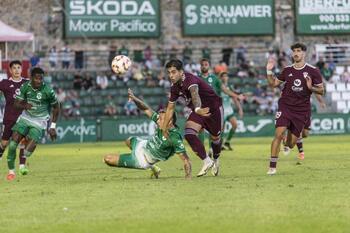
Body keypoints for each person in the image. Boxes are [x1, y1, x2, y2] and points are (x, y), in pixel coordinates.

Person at [104, 89, 191, 179]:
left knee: (107, 159)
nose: (158, 120)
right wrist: (134, 98)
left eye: (161, 119)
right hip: (143, 144)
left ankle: (152, 167)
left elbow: (185, 159)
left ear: (170, 121)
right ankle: (154, 167)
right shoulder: (160, 122)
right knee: (128, 140)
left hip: (142, 160)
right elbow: (145, 108)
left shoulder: (174, 137)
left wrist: (188, 176)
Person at [266, 43, 324, 175]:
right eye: (294, 51)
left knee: (291, 144)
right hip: (285, 106)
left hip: (301, 110)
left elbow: (321, 91)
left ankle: (287, 142)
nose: (296, 53)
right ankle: (272, 167)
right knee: (278, 134)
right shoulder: (287, 70)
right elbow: (273, 84)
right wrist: (269, 71)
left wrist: (311, 88)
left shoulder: (313, 71)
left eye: (299, 51)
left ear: (304, 53)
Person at [162, 59, 223, 177]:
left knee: (216, 138)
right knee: (189, 133)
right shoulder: (174, 87)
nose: (171, 75)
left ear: (181, 72)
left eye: (173, 72)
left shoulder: (190, 79)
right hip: (198, 111)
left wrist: (197, 108)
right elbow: (170, 108)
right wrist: (163, 129)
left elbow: (195, 94)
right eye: (169, 72)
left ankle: (216, 159)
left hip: (213, 109)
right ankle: (207, 161)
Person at [6, 67, 60, 181]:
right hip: (25, 118)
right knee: (12, 145)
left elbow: (56, 107)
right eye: (37, 78)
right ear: (31, 78)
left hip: (39, 122)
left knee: (27, 152)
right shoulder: (25, 87)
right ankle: (11, 171)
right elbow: (16, 104)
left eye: (41, 79)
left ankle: (26, 146)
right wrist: (25, 105)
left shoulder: (48, 90)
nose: (39, 81)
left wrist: (53, 127)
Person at [198, 58, 243, 153]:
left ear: (209, 66)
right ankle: (202, 149)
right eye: (202, 65)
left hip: (214, 107)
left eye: (206, 64)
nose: (204, 66)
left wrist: (236, 95)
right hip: (201, 106)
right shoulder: (197, 78)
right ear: (200, 66)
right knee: (201, 128)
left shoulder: (214, 79)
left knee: (213, 129)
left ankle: (212, 148)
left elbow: (225, 90)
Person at [0, 60, 29, 175]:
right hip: (9, 118)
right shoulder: (5, 83)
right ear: (10, 70)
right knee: (4, 143)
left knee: (23, 141)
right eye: (14, 68)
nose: (17, 70)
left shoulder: (27, 83)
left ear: (22, 70)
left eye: (19, 68)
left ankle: (22, 166)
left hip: (23, 119)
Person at [219, 72, 243, 151]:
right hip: (221, 110)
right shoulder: (218, 87)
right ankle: (220, 144)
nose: (225, 77)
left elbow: (234, 98)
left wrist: (240, 109)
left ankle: (227, 142)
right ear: (221, 78)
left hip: (229, 109)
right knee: (221, 129)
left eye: (226, 76)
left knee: (235, 125)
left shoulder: (230, 87)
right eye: (223, 76)